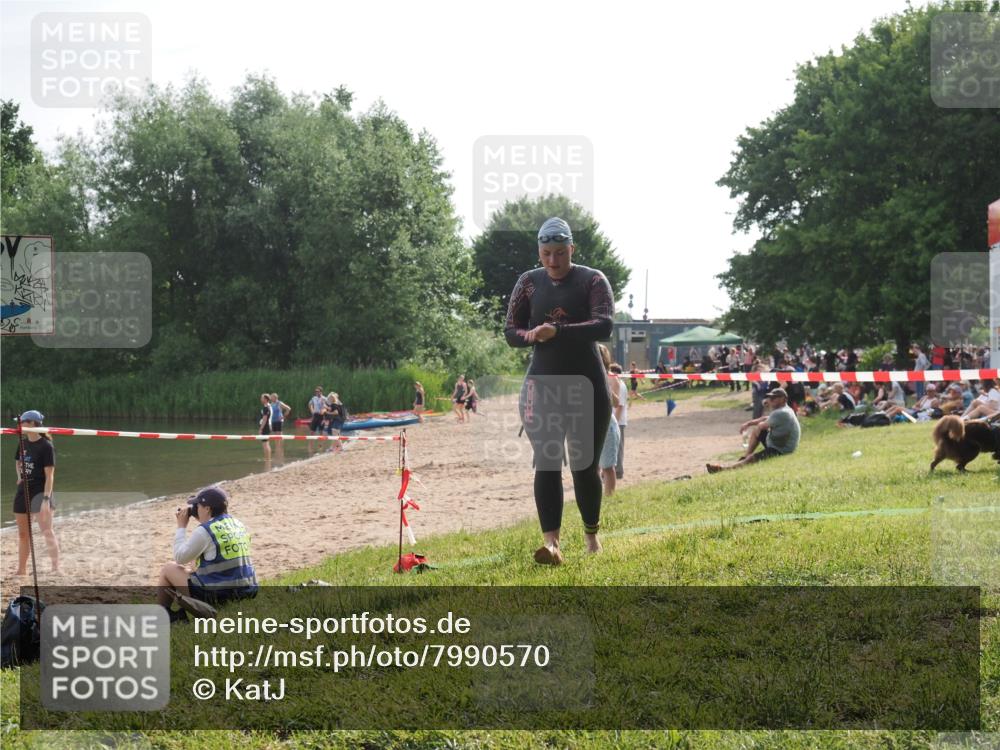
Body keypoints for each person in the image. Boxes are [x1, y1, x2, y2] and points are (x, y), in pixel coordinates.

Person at [505, 216, 613, 564]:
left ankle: (591, 536)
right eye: (546, 254)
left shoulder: (592, 279)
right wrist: (531, 335)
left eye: (560, 253)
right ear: (539, 252)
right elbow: (510, 331)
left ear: (572, 249)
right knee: (547, 462)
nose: (553, 261)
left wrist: (558, 331)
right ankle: (552, 544)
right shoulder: (528, 282)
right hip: (541, 386)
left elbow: (604, 325)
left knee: (584, 466)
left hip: (587, 386)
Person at [157, 486, 258, 622]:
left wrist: (181, 527)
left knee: (168, 568)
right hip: (247, 591)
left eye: (198, 506)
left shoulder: (205, 530)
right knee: (195, 565)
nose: (196, 509)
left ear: (207, 508)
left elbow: (180, 558)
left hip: (220, 595)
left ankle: (165, 615)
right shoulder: (238, 524)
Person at [12, 410, 60, 575]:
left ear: (32, 423)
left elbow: (50, 476)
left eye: (22, 422)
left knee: (47, 531)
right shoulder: (22, 443)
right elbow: (18, 462)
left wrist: (46, 500)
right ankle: (21, 570)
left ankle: (55, 568)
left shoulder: (46, 446)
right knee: (23, 534)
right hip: (23, 490)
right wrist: (19, 476)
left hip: (41, 491)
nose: (19, 425)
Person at [706, 388, 801, 472]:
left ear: (784, 399)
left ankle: (724, 469)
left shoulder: (781, 412)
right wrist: (748, 423)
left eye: (774, 397)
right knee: (756, 431)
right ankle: (745, 457)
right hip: (780, 444)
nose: (771, 399)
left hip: (781, 449)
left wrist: (768, 408)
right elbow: (766, 418)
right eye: (770, 397)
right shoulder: (785, 409)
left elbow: (762, 426)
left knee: (752, 458)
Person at [598, 346, 621, 497]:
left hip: (607, 425)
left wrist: (602, 384)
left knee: (607, 467)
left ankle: (609, 499)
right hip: (588, 426)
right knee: (593, 468)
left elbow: (616, 402)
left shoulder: (611, 378)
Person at [609, 363, 628, 479]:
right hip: (615, 419)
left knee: (618, 447)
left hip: (618, 420)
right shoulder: (617, 384)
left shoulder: (620, 385)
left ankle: (618, 471)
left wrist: (614, 422)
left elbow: (620, 406)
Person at [257, 394, 272, 462]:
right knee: (266, 443)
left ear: (265, 399)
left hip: (265, 427)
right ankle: (268, 459)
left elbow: (265, 419)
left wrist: (261, 428)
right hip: (267, 426)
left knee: (265, 444)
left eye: (262, 398)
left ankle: (267, 459)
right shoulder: (268, 406)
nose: (261, 399)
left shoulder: (266, 408)